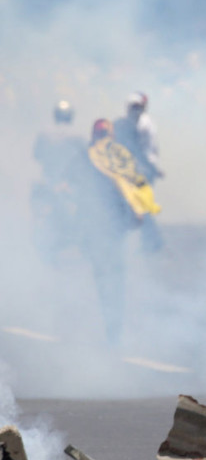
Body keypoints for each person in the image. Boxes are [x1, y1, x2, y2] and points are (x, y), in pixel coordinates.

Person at [73, 119, 161, 345]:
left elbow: (70, 184)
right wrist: (137, 212)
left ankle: (108, 325)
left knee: (103, 275)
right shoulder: (117, 155)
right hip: (111, 226)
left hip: (96, 225)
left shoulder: (86, 155)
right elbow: (133, 184)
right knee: (114, 276)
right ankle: (113, 328)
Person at [32, 100, 86, 263]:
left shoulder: (44, 133)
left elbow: (37, 155)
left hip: (48, 181)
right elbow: (86, 158)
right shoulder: (78, 135)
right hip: (68, 183)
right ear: (70, 116)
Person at [114, 92, 165, 252]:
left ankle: (151, 241)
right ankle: (151, 241)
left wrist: (153, 168)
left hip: (144, 169)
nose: (136, 110)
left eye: (139, 107)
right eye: (134, 107)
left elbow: (145, 150)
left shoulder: (145, 123)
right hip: (136, 169)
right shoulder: (124, 123)